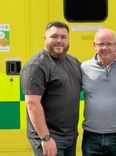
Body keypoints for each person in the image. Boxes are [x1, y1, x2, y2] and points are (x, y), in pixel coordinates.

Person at [20, 21, 81, 156]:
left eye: (63, 37)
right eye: (54, 36)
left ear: (68, 39)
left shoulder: (73, 61)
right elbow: (32, 103)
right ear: (45, 38)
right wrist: (45, 138)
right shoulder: (37, 65)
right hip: (50, 137)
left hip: (70, 136)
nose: (59, 41)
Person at [81, 28, 116, 156]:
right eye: (100, 44)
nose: (104, 47)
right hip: (91, 137)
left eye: (109, 44)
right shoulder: (84, 68)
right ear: (94, 46)